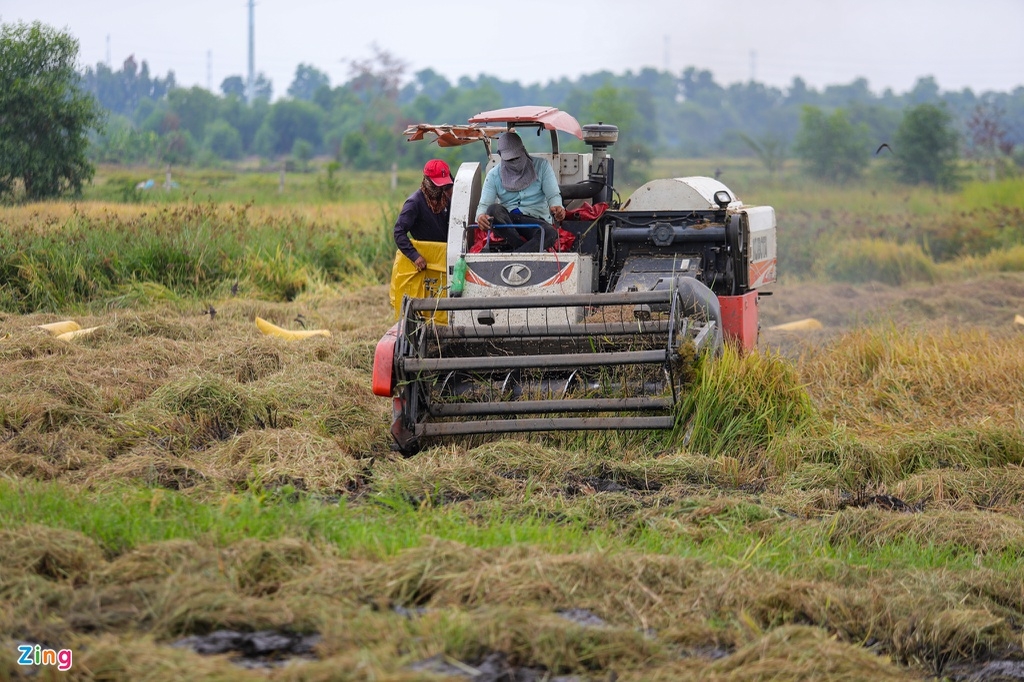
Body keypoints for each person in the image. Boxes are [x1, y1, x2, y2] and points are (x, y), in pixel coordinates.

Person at [476, 132, 565, 253]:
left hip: (536, 221)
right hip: (508, 223)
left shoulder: (542, 166)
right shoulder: (493, 175)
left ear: (523, 150)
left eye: (517, 158)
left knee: (550, 233)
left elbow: (553, 196)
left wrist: (557, 208)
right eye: (509, 159)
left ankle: (518, 252)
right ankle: (524, 249)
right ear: (500, 156)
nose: (514, 162)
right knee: (492, 210)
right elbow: (484, 206)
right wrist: (481, 217)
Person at [393, 159, 453, 271]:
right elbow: (398, 231)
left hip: (446, 256)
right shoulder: (414, 203)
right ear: (427, 181)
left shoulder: (447, 199)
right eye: (438, 185)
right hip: (427, 261)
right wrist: (415, 256)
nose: (441, 189)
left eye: (444, 185)